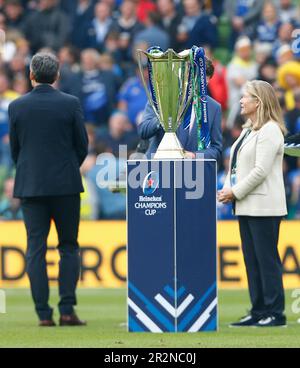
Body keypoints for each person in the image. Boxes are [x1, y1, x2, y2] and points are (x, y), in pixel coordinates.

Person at [8, 53, 88, 327]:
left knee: (35, 249)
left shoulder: (17, 106)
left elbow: (15, 150)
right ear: (56, 75)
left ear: (31, 74)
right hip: (65, 186)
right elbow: (82, 146)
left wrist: (31, 171)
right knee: (68, 247)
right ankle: (67, 311)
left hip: (31, 187)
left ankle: (43, 314)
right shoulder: (70, 104)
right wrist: (66, 167)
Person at [218, 80, 287, 327]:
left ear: (259, 101)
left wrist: (233, 192)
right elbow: (235, 164)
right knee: (252, 260)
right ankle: (258, 310)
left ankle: (275, 313)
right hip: (246, 204)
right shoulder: (249, 129)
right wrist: (227, 188)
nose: (240, 100)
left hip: (264, 205)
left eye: (245, 96)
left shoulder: (270, 130)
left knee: (266, 260)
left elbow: (260, 171)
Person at [138, 55, 222, 161]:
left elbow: (216, 149)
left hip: (192, 173)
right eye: (194, 81)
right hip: (158, 168)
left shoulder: (214, 108)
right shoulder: (161, 98)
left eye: (203, 83)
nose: (198, 87)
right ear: (185, 76)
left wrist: (194, 156)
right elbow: (143, 131)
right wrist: (163, 117)